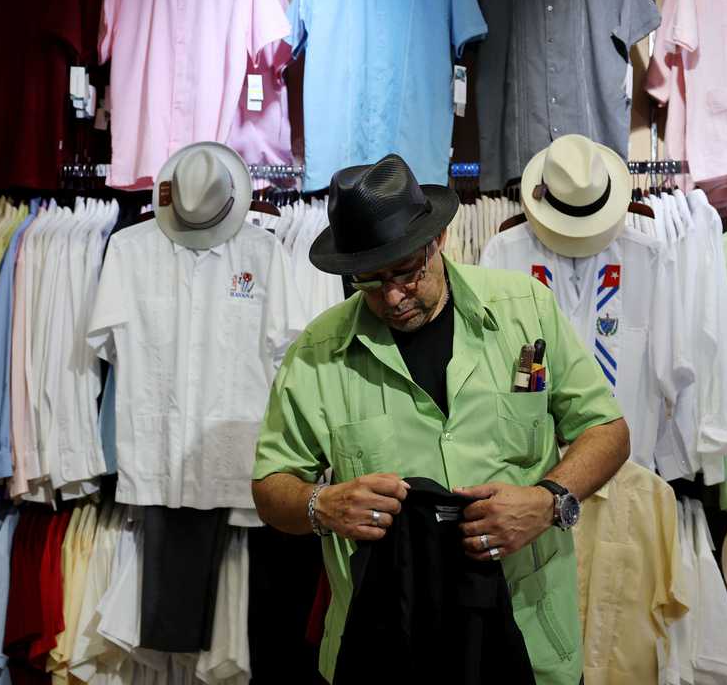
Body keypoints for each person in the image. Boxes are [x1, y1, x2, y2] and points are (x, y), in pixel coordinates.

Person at [252, 154, 630, 685]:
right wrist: (322, 504)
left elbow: (607, 431)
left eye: (406, 271)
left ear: (439, 240)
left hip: (529, 632)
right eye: (369, 279)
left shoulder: (527, 310)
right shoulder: (317, 354)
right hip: (382, 645)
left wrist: (549, 502)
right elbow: (270, 488)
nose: (392, 295)